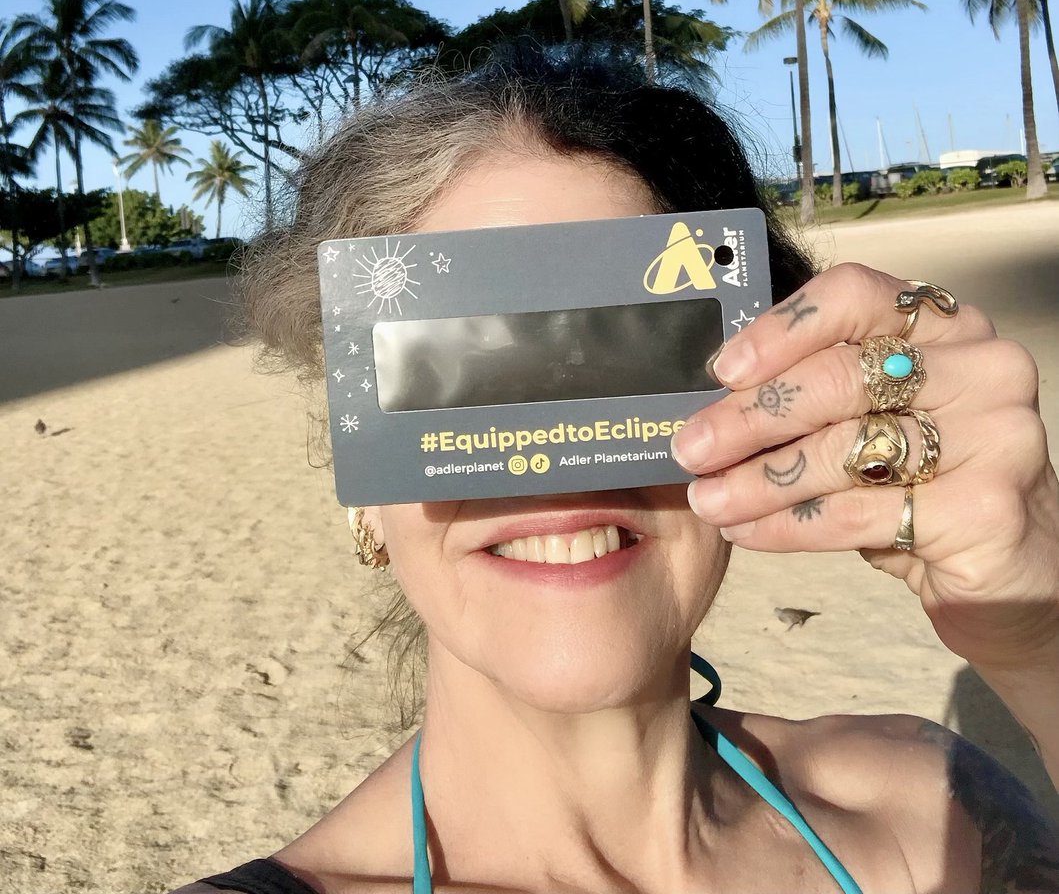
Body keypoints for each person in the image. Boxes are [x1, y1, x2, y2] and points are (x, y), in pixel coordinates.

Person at [174, 49, 1059, 894]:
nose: (553, 479)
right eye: (459, 384)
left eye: (636, 359)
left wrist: (1039, 641)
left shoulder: (932, 814)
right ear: (364, 487)